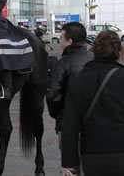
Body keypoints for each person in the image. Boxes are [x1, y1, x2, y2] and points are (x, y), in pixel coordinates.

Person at [61, 30, 124, 176]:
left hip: (93, 154)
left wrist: (68, 162)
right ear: (119, 53)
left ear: (93, 52)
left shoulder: (79, 81)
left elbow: (70, 126)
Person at [46, 22, 93, 175]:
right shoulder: (96, 58)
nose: (59, 41)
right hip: (96, 123)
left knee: (71, 167)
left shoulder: (64, 62)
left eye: (61, 37)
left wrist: (57, 115)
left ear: (69, 41)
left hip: (68, 124)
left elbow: (53, 95)